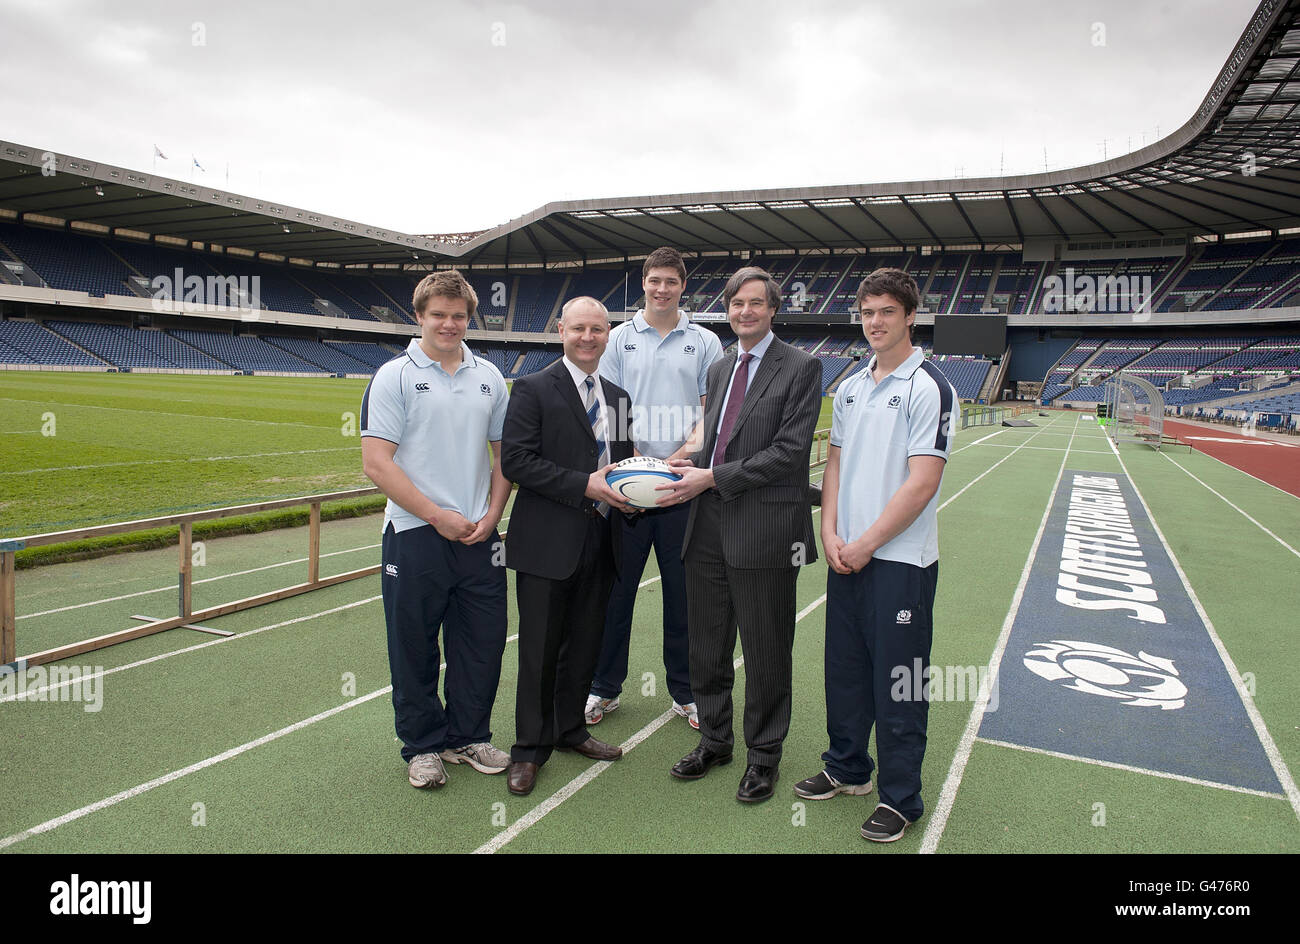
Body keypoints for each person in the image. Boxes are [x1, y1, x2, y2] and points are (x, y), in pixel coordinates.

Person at [794, 267, 956, 843]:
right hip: (848, 553)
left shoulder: (929, 386)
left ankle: (901, 797)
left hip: (899, 563)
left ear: (910, 316)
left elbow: (921, 483)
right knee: (845, 668)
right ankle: (847, 767)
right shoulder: (852, 386)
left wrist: (864, 544)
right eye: (867, 313)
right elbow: (833, 464)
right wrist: (831, 530)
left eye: (887, 312)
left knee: (898, 680)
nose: (876, 323)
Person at [654, 266, 822, 804]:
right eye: (735, 304)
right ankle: (716, 740)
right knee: (706, 643)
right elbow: (714, 440)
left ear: (773, 308)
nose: (744, 311)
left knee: (766, 648)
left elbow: (789, 453)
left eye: (754, 303)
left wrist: (713, 476)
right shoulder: (721, 368)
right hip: (706, 523)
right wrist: (677, 465)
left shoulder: (801, 367)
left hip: (766, 528)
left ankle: (764, 757)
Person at [360, 269, 512, 789]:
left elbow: (503, 456)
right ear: (419, 316)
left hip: (478, 534)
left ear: (469, 318)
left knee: (482, 641)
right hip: (415, 531)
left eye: (459, 315)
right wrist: (434, 514)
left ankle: (468, 735)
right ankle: (422, 745)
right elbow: (377, 464)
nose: (449, 324)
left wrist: (492, 516)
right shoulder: (394, 375)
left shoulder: (490, 376)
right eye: (439, 315)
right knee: (414, 643)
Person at [500, 296, 636, 796]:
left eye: (597, 330)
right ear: (561, 329)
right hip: (547, 544)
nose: (588, 337)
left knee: (584, 645)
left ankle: (570, 730)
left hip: (603, 541)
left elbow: (621, 465)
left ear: (608, 334)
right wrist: (586, 485)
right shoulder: (533, 388)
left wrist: (633, 496)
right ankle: (529, 749)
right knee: (539, 651)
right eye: (579, 328)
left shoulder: (619, 398)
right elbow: (516, 461)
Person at [585, 247, 723, 730]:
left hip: (682, 487)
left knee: (684, 597)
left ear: (683, 286)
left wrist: (673, 464)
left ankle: (686, 693)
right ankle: (603, 688)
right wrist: (637, 468)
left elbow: (712, 415)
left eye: (671, 281)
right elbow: (611, 410)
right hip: (627, 487)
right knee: (615, 593)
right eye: (653, 280)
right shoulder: (619, 338)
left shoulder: (705, 341)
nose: (661, 289)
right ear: (643, 283)